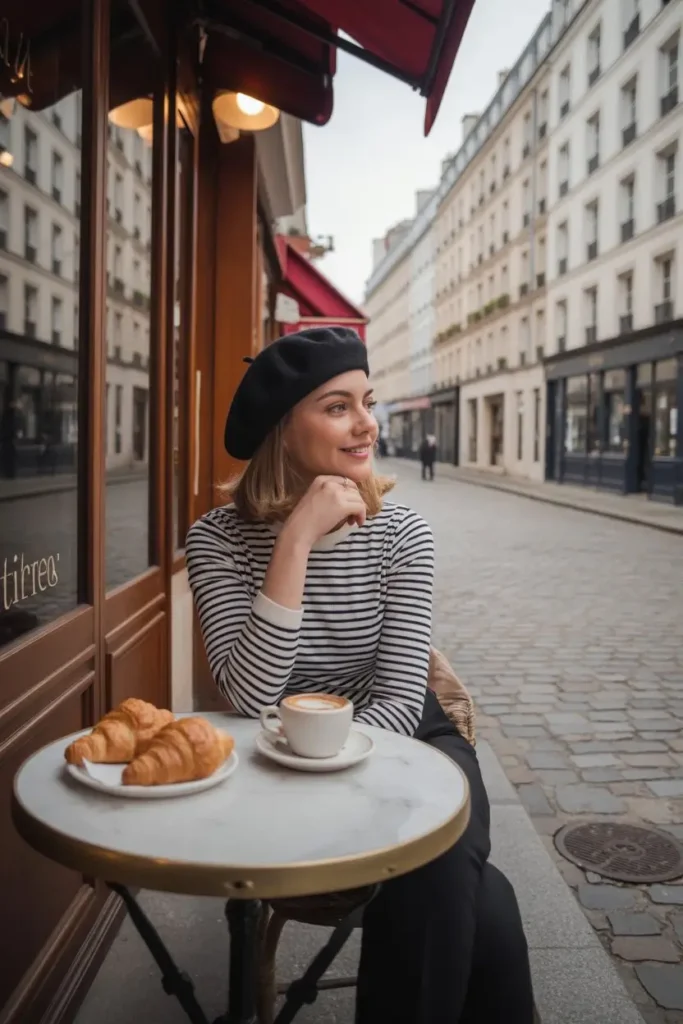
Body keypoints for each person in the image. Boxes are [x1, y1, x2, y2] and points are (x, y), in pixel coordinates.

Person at [186, 326, 534, 1024]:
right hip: (277, 754)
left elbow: (404, 696)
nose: (367, 423)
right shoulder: (216, 539)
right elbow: (251, 695)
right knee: (480, 896)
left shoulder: (402, 531)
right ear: (284, 430)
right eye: (338, 406)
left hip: (408, 739)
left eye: (366, 401)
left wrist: (323, 755)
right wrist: (296, 540)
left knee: (434, 853)